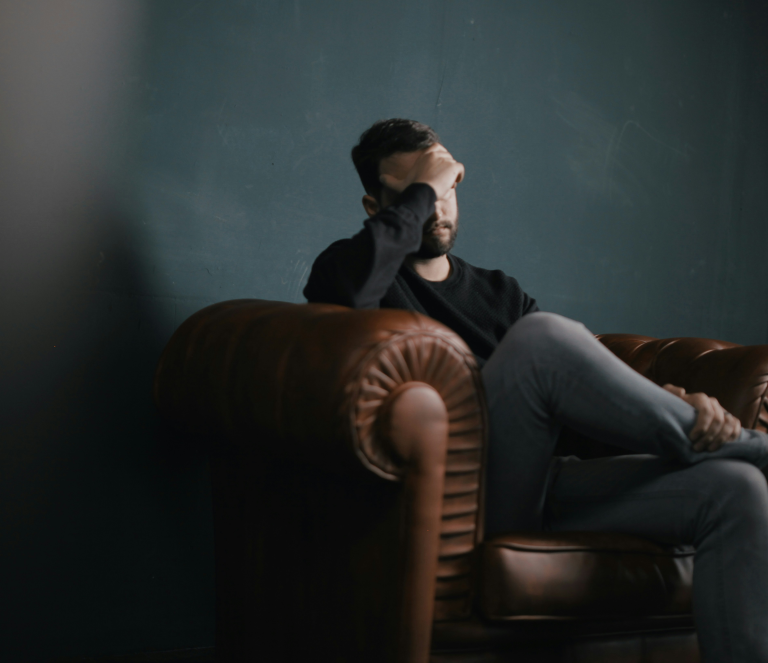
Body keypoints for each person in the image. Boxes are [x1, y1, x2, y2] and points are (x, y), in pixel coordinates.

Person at [303, 118, 768, 662]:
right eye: (416, 191)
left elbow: (568, 408)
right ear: (375, 207)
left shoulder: (501, 293)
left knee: (737, 490)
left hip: (542, 485)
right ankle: (749, 446)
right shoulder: (349, 270)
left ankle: (725, 449)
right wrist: (427, 187)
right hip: (461, 500)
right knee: (542, 339)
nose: (437, 205)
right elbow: (347, 298)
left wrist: (665, 401)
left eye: (447, 185)